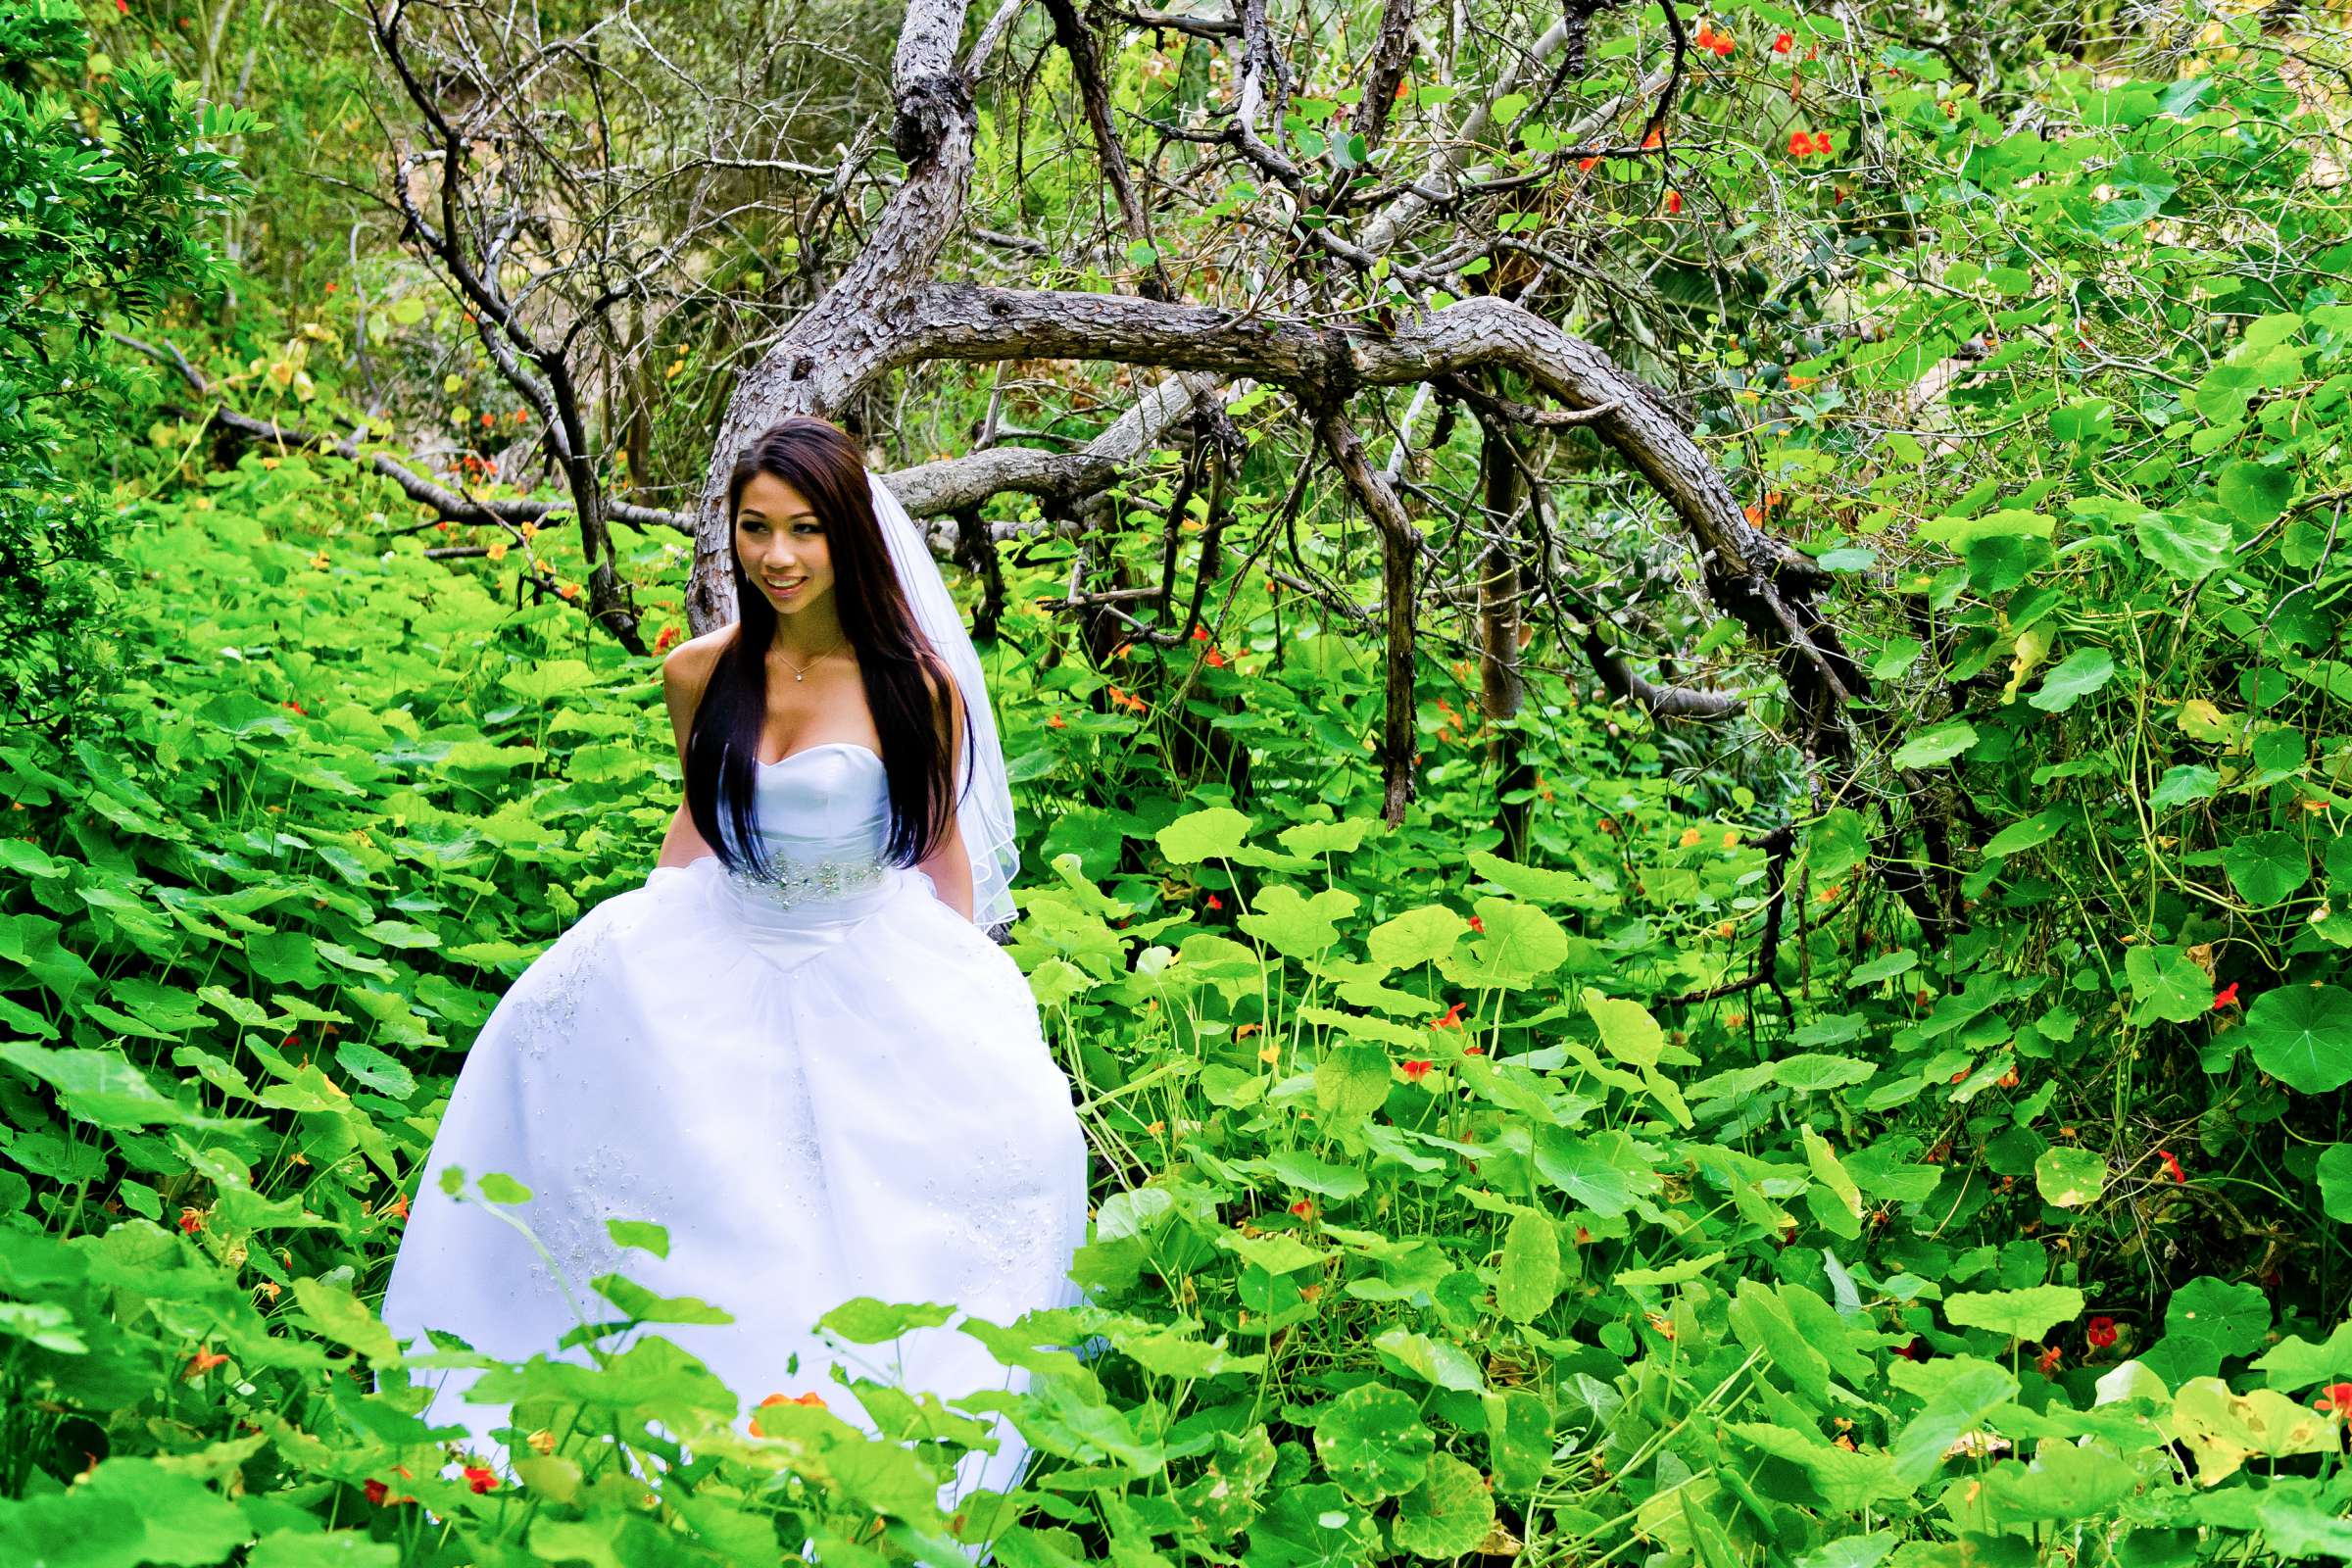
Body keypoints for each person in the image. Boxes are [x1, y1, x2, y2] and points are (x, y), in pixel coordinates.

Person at [374, 416, 1093, 1551]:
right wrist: (637, 964)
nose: (779, 556)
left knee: (916, 1186)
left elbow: (941, 852)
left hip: (868, 946)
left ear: (848, 533)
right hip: (728, 931)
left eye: (804, 529)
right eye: (755, 528)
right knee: (655, 1141)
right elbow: (701, 823)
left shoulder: (918, 683)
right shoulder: (700, 671)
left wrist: (966, 999)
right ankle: (626, 1408)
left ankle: (867, 1439)